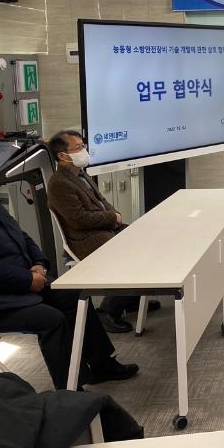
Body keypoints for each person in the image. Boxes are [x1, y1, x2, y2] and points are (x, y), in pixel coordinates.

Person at [0, 146, 139, 390]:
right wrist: (27, 280)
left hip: (19, 284)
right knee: (52, 319)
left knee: (76, 297)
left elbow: (23, 238)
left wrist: (39, 264)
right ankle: (71, 389)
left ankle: (101, 365)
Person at [46, 130, 159, 333]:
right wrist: (112, 218)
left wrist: (114, 215)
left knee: (145, 239)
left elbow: (102, 201)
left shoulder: (80, 174)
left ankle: (129, 299)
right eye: (79, 148)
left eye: (83, 146)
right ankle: (108, 310)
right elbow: (79, 220)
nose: (84, 151)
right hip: (85, 238)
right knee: (131, 252)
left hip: (101, 228)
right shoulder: (59, 184)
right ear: (62, 155)